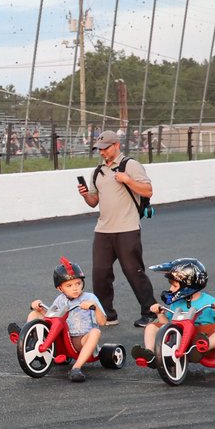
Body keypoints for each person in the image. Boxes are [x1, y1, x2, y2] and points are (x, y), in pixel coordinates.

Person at [78, 130, 157, 328]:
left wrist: (128, 180)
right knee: (100, 272)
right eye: (99, 149)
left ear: (116, 145)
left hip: (127, 228)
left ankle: (151, 312)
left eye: (105, 148)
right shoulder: (97, 171)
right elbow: (93, 201)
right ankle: (107, 314)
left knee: (133, 271)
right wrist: (85, 195)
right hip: (103, 229)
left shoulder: (130, 165)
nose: (102, 152)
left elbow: (148, 190)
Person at [8, 257, 107, 383]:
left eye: (78, 283)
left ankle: (76, 368)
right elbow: (52, 317)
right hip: (62, 338)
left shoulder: (89, 297)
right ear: (60, 288)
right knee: (35, 314)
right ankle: (27, 337)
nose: (75, 288)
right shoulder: (60, 299)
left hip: (81, 341)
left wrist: (95, 307)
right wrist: (39, 307)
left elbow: (103, 322)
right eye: (69, 285)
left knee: (95, 332)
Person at [133, 258, 215, 367]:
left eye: (174, 285)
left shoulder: (210, 301)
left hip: (203, 338)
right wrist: (160, 313)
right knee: (151, 326)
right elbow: (167, 326)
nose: (171, 289)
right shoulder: (175, 304)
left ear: (188, 285)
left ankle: (204, 345)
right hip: (179, 338)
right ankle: (150, 354)